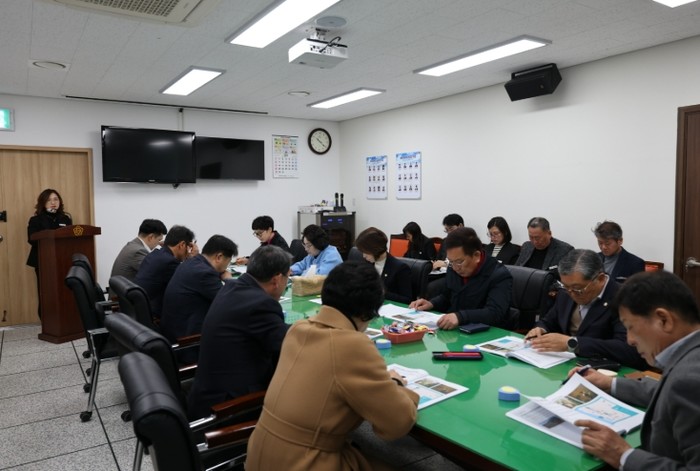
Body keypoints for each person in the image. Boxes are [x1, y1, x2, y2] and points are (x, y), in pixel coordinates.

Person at [246, 261, 419, 470]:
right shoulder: (353, 345)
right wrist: (396, 384)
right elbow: (397, 423)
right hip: (304, 462)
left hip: (259, 454)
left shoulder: (297, 328)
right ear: (367, 312)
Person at [571, 270, 700, 470]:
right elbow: (669, 391)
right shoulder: (690, 358)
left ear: (664, 320)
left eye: (630, 327)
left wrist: (623, 455)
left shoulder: (689, 380)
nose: (630, 340)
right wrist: (610, 383)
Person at [187, 245, 292, 420]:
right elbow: (289, 344)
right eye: (287, 278)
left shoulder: (232, 287)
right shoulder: (260, 304)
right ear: (277, 280)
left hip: (206, 395)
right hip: (229, 409)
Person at [525, 249, 646, 370]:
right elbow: (549, 321)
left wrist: (573, 343)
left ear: (600, 279)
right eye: (566, 287)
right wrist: (540, 329)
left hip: (605, 370)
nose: (571, 293)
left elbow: (628, 349)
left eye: (578, 289)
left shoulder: (625, 299)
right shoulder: (566, 292)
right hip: (564, 364)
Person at [410, 227, 512, 330]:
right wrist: (431, 303)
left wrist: (460, 317)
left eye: (459, 262)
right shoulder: (453, 268)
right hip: (454, 331)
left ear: (476, 256)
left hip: (484, 333)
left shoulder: (499, 275)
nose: (455, 268)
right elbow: (448, 296)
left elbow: (494, 313)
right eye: (451, 262)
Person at [160, 234, 237, 345]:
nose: (226, 267)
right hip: (188, 340)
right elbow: (230, 303)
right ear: (219, 257)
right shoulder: (205, 273)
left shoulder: (192, 262)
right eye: (228, 262)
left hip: (173, 330)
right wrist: (229, 280)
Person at [134, 225, 195, 320]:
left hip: (137, 310)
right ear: (182, 245)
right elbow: (190, 282)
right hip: (152, 317)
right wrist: (195, 259)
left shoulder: (155, 254)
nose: (189, 251)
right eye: (189, 247)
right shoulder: (170, 262)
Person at [26, 189, 72, 317]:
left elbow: (70, 238)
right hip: (43, 261)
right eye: (49, 200)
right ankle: (46, 319)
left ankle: (64, 317)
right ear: (43, 203)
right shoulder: (36, 220)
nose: (53, 203)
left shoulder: (65, 218)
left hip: (63, 260)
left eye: (56, 199)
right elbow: (31, 239)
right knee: (46, 292)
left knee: (63, 290)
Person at [355, 227, 412, 304]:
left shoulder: (400, 268)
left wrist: (383, 293)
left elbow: (407, 300)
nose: (364, 256)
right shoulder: (366, 263)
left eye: (366, 252)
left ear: (376, 250)